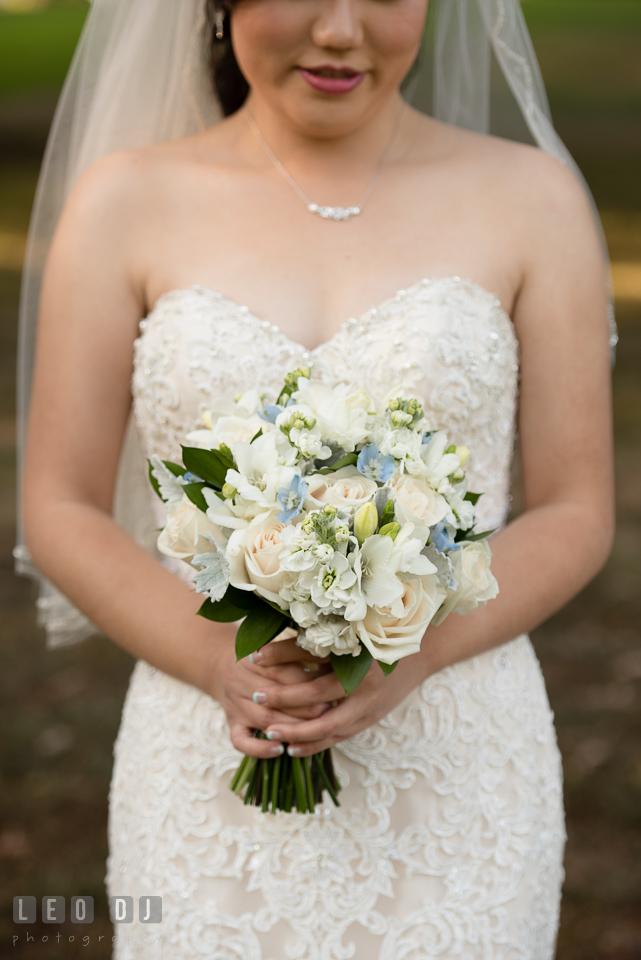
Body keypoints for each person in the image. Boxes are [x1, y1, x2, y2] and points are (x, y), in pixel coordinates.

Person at [19, 0, 614, 955]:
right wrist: (225, 664)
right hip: (206, 740)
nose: (341, 32)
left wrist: (410, 652)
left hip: (455, 744)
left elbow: (576, 508)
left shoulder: (530, 198)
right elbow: (59, 502)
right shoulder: (123, 200)